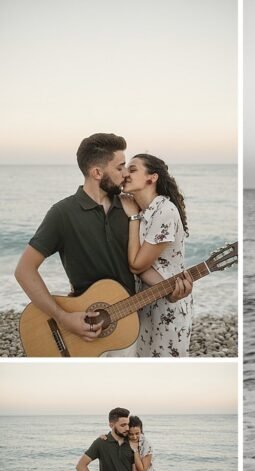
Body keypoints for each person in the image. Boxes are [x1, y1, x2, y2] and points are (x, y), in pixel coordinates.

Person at [14, 133, 192, 357]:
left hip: (127, 328)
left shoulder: (134, 209)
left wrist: (169, 291)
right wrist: (63, 317)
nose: (125, 173)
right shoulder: (62, 213)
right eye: (119, 168)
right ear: (97, 173)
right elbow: (24, 270)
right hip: (80, 329)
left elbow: (139, 266)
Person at [120, 154, 193, 357]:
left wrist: (133, 217)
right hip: (144, 301)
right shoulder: (142, 211)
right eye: (125, 169)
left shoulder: (164, 212)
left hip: (168, 305)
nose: (125, 173)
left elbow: (136, 265)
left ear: (152, 178)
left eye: (133, 169)